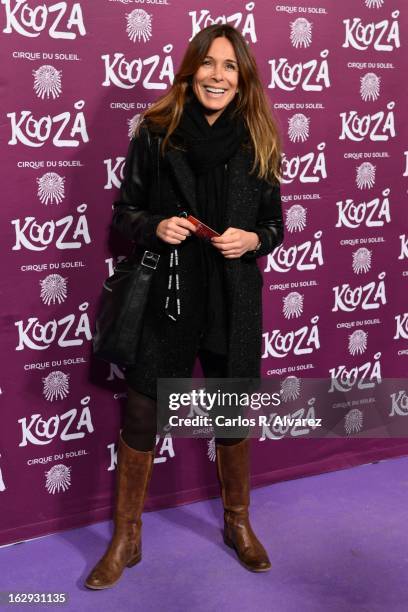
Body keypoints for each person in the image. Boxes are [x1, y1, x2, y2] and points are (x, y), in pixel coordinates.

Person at [85, 23, 284, 590]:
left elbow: (275, 224)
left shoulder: (260, 137)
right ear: (191, 69)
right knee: (143, 413)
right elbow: (124, 213)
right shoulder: (155, 132)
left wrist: (254, 240)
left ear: (242, 79)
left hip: (231, 298)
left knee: (228, 413)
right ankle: (127, 537)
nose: (218, 76)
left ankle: (238, 525)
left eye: (230, 67)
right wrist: (154, 224)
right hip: (167, 296)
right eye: (209, 64)